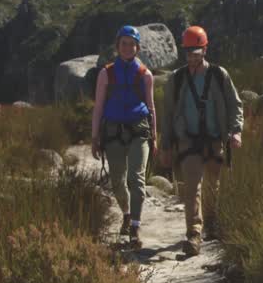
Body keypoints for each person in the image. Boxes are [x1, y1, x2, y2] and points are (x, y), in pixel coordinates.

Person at [158, 25, 243, 256]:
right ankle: (194, 235)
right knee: (192, 188)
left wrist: (236, 131)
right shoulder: (177, 79)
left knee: (212, 187)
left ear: (205, 50)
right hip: (188, 141)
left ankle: (212, 225)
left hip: (215, 140)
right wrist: (165, 145)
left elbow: (235, 105)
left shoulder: (219, 75)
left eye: (196, 53)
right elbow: (167, 114)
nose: (192, 57)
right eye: (188, 53)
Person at [91, 25, 158, 249]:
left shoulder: (145, 75)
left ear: (137, 47)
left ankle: (135, 228)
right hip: (113, 131)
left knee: (136, 179)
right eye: (124, 44)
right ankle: (127, 213)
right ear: (118, 46)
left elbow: (151, 108)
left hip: (139, 129)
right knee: (117, 180)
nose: (128, 48)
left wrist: (154, 136)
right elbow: (99, 106)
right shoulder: (106, 73)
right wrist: (95, 137)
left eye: (132, 44)